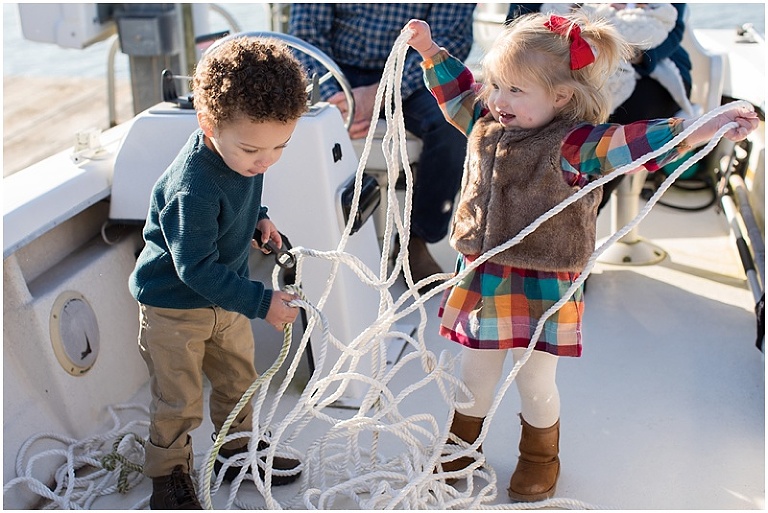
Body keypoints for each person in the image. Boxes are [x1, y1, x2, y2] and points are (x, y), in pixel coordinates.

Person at [406, 13, 757, 502]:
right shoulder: (485, 118)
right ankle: (461, 444)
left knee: (535, 380)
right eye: (498, 86)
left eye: (516, 91)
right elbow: (459, 92)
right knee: (475, 372)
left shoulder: (576, 146)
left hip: (544, 283)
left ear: (561, 97)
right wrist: (429, 52)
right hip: (487, 274)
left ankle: (539, 456)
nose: (500, 100)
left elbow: (638, 143)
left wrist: (707, 125)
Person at [128, 37, 308, 509]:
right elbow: (194, 267)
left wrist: (259, 219)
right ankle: (168, 476)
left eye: (280, 147)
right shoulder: (195, 185)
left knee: (238, 379)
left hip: (221, 300)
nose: (265, 161)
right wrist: (260, 302)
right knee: (178, 398)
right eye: (254, 149)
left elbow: (244, 191)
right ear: (208, 125)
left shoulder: (244, 156)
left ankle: (235, 450)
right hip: (175, 307)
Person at [289, 4, 476, 290]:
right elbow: (305, 35)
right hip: (336, 70)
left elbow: (451, 40)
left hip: (413, 71)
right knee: (290, 117)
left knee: (453, 127)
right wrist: (336, 100)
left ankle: (416, 241)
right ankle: (303, 238)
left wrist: (380, 92)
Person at [508, 3, 693, 213]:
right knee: (545, 112)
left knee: (623, 115)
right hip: (556, 62)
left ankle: (582, 213)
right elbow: (517, 19)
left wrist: (619, 52)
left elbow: (675, 27)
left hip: (653, 68)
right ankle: (534, 208)